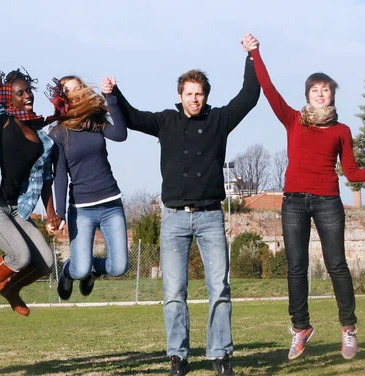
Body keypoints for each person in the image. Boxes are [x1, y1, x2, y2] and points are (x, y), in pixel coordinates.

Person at [103, 34, 260, 376]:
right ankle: (178, 356)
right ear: (180, 96)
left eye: (199, 94)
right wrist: (113, 94)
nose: (194, 99)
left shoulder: (218, 120)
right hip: (173, 219)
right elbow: (131, 117)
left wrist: (252, 56)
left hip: (210, 217)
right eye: (189, 94)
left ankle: (220, 355)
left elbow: (249, 97)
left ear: (205, 96)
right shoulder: (165, 121)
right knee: (174, 292)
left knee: (219, 288)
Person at [246, 34, 365, 361]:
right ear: (308, 96)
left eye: (326, 89)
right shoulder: (293, 119)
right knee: (296, 267)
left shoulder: (341, 131)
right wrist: (255, 53)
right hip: (294, 201)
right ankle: (301, 328)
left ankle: (349, 329)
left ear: (332, 96)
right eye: (315, 90)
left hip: (327, 200)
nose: (321, 93)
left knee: (336, 264)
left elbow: (352, 173)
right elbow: (268, 90)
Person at [0, 64, 60, 320]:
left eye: (29, 91)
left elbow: (46, 178)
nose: (27, 96)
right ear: (9, 97)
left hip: (15, 208)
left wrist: (51, 211)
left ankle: (10, 287)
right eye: (21, 93)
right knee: (20, 256)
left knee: (46, 262)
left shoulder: (44, 138)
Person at [47, 75, 129, 300]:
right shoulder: (59, 133)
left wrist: (110, 97)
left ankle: (94, 270)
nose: (76, 93)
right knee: (78, 269)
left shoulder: (96, 120)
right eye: (69, 91)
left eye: (78, 88)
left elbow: (121, 135)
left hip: (112, 203)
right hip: (81, 209)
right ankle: (68, 271)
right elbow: (60, 175)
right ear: (62, 98)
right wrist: (60, 213)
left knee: (119, 266)